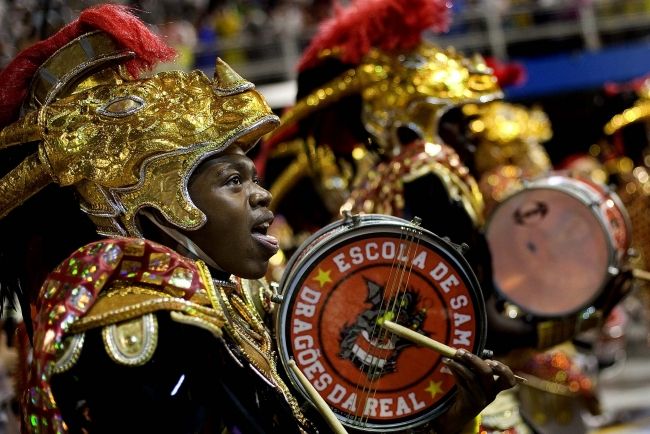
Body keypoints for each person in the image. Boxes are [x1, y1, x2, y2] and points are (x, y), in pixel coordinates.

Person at [0, 4, 516, 434]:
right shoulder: (140, 327)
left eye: (253, 177)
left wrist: (447, 422)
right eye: (233, 181)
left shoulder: (233, 309)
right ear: (157, 202)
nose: (262, 195)